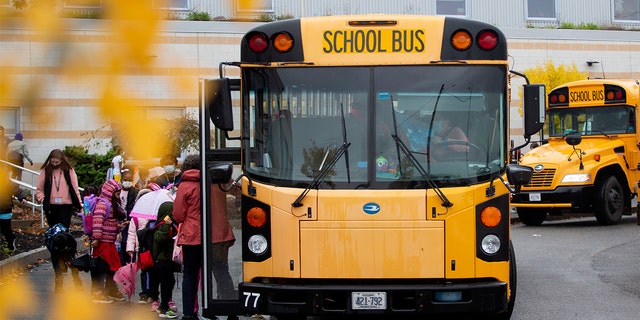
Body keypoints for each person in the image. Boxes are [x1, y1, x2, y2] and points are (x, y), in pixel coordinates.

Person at [173, 154, 237, 320]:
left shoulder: (184, 185)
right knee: (222, 272)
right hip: (217, 236)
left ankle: (189, 313)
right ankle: (231, 312)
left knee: (190, 275)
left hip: (192, 237)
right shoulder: (216, 181)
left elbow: (178, 216)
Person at [90, 179, 126, 303]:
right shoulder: (103, 204)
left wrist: (117, 227)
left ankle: (109, 289)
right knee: (101, 267)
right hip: (103, 242)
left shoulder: (110, 204)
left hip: (109, 241)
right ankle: (97, 292)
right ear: (110, 191)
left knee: (112, 266)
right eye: (117, 191)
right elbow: (97, 221)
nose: (119, 193)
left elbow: (107, 222)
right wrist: (96, 238)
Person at [36, 149, 82, 229]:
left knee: (63, 229)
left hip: (66, 205)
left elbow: (75, 188)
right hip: (51, 205)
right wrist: (42, 199)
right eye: (52, 162)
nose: (54, 164)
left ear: (62, 160)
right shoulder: (46, 171)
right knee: (53, 229)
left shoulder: (69, 170)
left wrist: (80, 205)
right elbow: (39, 188)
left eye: (57, 162)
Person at [149, 201, 179, 319]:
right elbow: (160, 239)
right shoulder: (162, 225)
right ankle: (164, 307)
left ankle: (164, 303)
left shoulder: (169, 224)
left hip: (165, 261)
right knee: (165, 283)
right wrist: (167, 225)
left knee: (168, 282)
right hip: (161, 261)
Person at [44, 223, 83, 293]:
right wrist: (58, 270)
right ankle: (59, 286)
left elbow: (74, 247)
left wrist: (71, 257)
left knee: (74, 266)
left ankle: (78, 284)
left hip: (68, 247)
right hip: (51, 240)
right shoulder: (52, 245)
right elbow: (55, 263)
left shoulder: (71, 239)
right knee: (59, 268)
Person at [0, 168, 27, 254]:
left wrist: (22, 198)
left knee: (6, 229)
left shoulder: (6, 182)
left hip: (5, 209)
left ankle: (10, 243)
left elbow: (17, 190)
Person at [117, 168, 139, 265]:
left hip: (131, 222)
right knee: (121, 244)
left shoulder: (135, 192)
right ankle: (121, 264)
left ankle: (130, 263)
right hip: (120, 222)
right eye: (126, 180)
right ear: (121, 180)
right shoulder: (117, 192)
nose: (128, 182)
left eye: (130, 180)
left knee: (129, 243)